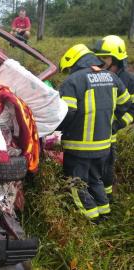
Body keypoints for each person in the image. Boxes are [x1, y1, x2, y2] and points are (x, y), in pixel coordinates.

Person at [58, 44, 131, 222]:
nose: (69, 72)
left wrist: (57, 130)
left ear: (73, 62)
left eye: (68, 68)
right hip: (104, 145)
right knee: (95, 179)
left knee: (75, 183)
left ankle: (90, 219)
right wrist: (111, 123)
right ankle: (104, 212)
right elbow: (126, 103)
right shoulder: (112, 77)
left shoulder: (73, 81)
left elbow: (67, 113)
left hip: (78, 146)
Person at [93, 35, 134, 202]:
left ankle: (107, 198)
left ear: (116, 58)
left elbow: (132, 109)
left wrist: (116, 124)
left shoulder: (129, 80)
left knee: (107, 167)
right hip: (93, 132)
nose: (100, 60)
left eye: (104, 57)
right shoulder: (100, 75)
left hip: (110, 133)